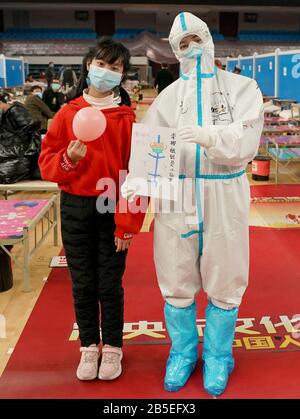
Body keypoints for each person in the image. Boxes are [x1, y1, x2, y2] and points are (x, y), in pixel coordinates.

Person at [122, 12, 264, 396]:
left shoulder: (241, 88)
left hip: (224, 191)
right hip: (177, 194)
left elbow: (246, 140)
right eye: (181, 44)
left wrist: (208, 136)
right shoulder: (167, 98)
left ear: (208, 40)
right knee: (175, 274)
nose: (190, 49)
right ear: (173, 51)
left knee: (226, 274)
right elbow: (151, 147)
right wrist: (138, 181)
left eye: (195, 39)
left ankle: (218, 356)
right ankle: (183, 352)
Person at [38, 37, 146, 382]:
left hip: (113, 204)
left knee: (109, 284)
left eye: (115, 68)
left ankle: (113, 347)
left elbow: (137, 173)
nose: (106, 72)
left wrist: (127, 224)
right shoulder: (67, 114)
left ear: (122, 75)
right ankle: (88, 346)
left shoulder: (127, 118)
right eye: (102, 64)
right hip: (75, 207)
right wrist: (69, 159)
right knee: (82, 283)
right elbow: (47, 164)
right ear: (88, 66)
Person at [0, 92, 41, 184]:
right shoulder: (4, 117)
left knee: (5, 171)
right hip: (13, 155)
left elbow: (33, 137)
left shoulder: (16, 111)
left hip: (25, 156)